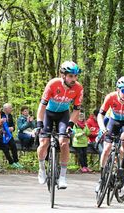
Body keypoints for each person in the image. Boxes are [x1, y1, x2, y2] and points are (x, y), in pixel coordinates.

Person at [36, 61, 83, 189]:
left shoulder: (78, 88)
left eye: (75, 76)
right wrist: (39, 123)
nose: (74, 79)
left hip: (63, 114)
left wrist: (70, 125)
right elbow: (42, 105)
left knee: (64, 142)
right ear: (63, 75)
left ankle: (62, 176)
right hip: (48, 114)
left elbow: (76, 110)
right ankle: (41, 168)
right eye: (71, 76)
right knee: (44, 142)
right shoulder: (53, 84)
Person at [96, 76, 124, 191]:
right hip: (114, 121)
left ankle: (122, 167)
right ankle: (101, 178)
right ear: (118, 90)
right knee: (106, 149)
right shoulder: (110, 97)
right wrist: (102, 128)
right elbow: (100, 115)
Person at [1, 103, 23, 169]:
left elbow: (13, 125)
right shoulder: (0, 114)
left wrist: (12, 128)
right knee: (6, 149)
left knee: (14, 147)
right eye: (10, 108)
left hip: (9, 135)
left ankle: (16, 161)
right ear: (5, 109)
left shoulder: (10, 115)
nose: (11, 109)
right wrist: (2, 130)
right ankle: (11, 163)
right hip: (2, 136)